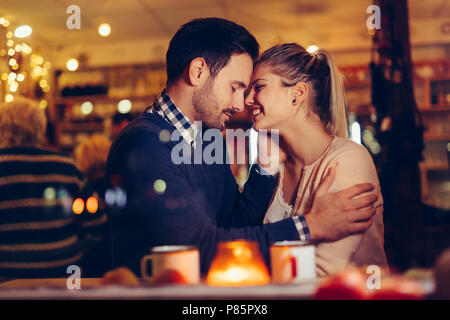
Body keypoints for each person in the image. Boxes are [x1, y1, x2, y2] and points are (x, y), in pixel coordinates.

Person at [105, 18, 379, 276]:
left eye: (248, 88)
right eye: (235, 87)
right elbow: (195, 249)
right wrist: (311, 226)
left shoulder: (207, 139)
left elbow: (232, 225)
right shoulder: (142, 144)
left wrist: (263, 170)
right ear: (198, 72)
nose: (240, 104)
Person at [245, 43, 388, 275]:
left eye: (258, 87)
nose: (247, 100)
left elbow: (322, 271)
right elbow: (244, 241)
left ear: (298, 93)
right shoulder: (274, 166)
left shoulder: (349, 161)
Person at [0, 97, 108, 278]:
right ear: (40, 127)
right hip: (62, 274)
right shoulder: (66, 166)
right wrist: (74, 251)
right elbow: (97, 221)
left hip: (5, 279)